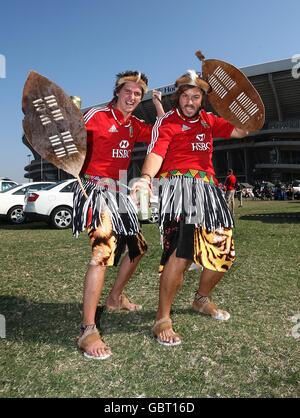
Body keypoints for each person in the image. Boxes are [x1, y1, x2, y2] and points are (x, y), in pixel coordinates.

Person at [133, 70, 249, 346]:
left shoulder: (210, 120)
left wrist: (243, 108)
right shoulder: (167, 122)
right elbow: (156, 153)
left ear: (202, 100)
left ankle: (201, 300)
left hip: (208, 190)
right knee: (181, 253)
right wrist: (146, 178)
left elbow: (241, 131)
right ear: (178, 98)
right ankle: (162, 318)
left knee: (224, 251)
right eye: (185, 96)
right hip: (180, 189)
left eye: (195, 96)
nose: (190, 101)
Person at [73, 71, 164, 359]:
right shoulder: (96, 115)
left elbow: (163, 132)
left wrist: (159, 104)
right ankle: (87, 329)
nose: (133, 97)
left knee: (138, 249)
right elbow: (66, 137)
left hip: (119, 191)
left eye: (138, 94)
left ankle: (114, 298)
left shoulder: (135, 124)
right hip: (94, 189)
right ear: (117, 91)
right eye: (128, 91)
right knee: (102, 253)